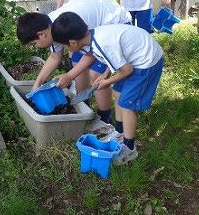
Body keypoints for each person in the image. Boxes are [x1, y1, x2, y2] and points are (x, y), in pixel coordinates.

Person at [51, 13, 164, 165]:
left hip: (146, 61)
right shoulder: (94, 36)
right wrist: (105, 75)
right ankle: (119, 132)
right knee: (117, 92)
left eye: (65, 46)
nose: (67, 49)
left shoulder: (102, 43)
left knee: (126, 104)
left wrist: (107, 82)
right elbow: (112, 60)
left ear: (72, 43)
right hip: (135, 57)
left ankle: (129, 148)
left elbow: (127, 70)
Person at [16, 0, 132, 135]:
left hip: (114, 25)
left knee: (95, 74)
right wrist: (37, 84)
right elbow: (55, 56)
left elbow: (93, 53)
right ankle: (84, 109)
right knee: (77, 63)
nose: (36, 46)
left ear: (41, 34)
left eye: (34, 43)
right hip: (91, 33)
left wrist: (69, 75)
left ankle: (104, 118)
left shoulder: (68, 24)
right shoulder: (52, 27)